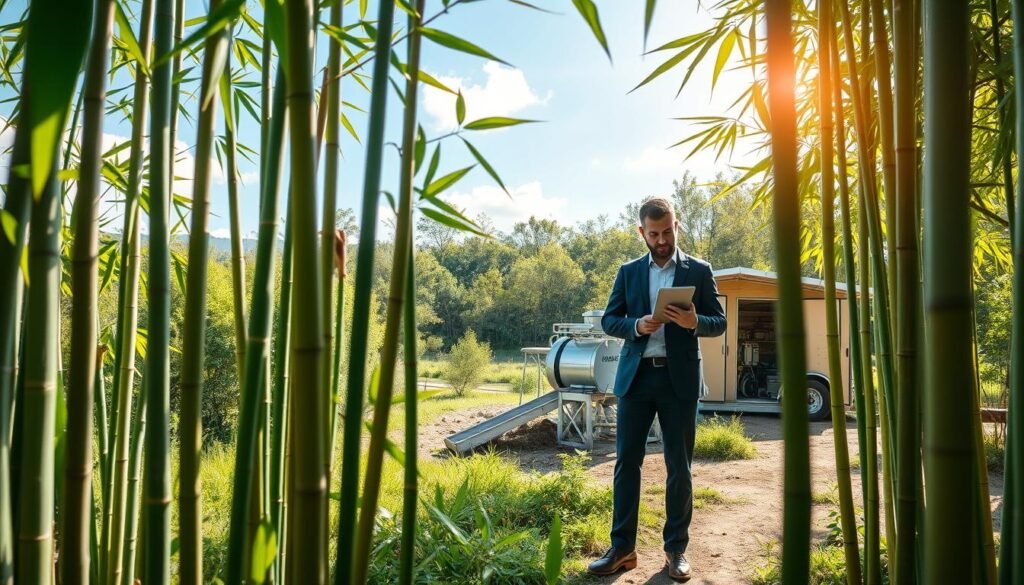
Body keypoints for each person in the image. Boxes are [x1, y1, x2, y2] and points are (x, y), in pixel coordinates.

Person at [588, 196, 726, 582]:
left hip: (679, 380)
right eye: (654, 234)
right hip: (635, 378)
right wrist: (637, 325)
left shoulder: (699, 270)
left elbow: (718, 322)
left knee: (678, 467)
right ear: (641, 233)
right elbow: (609, 320)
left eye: (667, 231)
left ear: (677, 225)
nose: (662, 240)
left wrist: (693, 319)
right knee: (625, 464)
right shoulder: (629, 271)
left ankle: (676, 550)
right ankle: (622, 550)